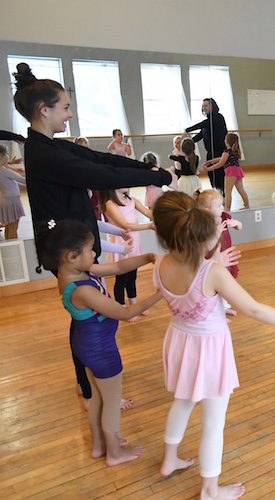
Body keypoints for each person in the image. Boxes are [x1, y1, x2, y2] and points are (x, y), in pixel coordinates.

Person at [12, 62, 175, 407]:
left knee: (85, 317)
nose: (69, 114)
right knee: (83, 319)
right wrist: (157, 178)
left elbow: (101, 159)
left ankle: (89, 385)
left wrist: (151, 169)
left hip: (77, 245)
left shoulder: (51, 147)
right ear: (44, 110)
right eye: (65, 107)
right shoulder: (44, 154)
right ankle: (90, 390)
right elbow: (100, 176)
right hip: (69, 249)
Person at [152, 191, 275, 500]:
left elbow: (188, 295)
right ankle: (210, 490)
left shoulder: (160, 263)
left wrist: (211, 255)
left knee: (183, 401)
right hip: (209, 349)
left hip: (180, 342)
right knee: (213, 421)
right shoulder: (211, 272)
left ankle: (169, 459)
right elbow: (252, 309)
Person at [36, 219, 161, 466]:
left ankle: (99, 445)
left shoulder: (72, 273)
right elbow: (124, 313)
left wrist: (146, 257)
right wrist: (161, 293)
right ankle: (115, 453)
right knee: (112, 403)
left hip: (87, 347)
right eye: (90, 250)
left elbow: (118, 268)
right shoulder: (82, 290)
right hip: (101, 351)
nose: (94, 254)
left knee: (98, 399)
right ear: (72, 256)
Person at [100, 188, 154, 322]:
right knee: (122, 278)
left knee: (132, 275)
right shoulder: (110, 205)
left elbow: (148, 213)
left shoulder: (131, 201)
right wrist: (149, 226)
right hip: (122, 243)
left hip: (135, 242)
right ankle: (122, 310)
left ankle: (134, 305)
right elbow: (125, 225)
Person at [194, 188, 243, 316]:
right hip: (212, 259)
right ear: (207, 210)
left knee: (225, 283)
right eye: (218, 205)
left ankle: (223, 307)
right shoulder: (204, 224)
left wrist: (236, 223)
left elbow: (239, 227)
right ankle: (215, 311)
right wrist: (216, 232)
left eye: (222, 204)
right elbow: (206, 246)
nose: (222, 207)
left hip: (226, 256)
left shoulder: (224, 217)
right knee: (215, 284)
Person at [186, 98, 228, 195]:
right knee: (211, 174)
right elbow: (201, 134)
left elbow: (203, 124)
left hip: (219, 152)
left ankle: (222, 194)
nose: (204, 108)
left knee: (219, 174)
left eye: (206, 105)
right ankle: (216, 192)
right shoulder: (207, 121)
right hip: (210, 152)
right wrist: (189, 143)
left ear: (212, 106)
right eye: (203, 106)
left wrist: (188, 130)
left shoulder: (218, 118)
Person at [202, 133, 249, 211]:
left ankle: (227, 208)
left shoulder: (226, 151)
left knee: (227, 192)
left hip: (230, 172)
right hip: (238, 171)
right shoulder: (235, 151)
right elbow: (222, 158)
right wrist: (211, 161)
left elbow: (221, 163)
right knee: (241, 190)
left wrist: (209, 169)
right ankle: (247, 205)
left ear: (226, 142)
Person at [0, 144, 26, 239]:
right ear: (1, 156)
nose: (8, 157)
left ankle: (9, 248)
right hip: (12, 202)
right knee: (13, 228)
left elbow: (13, 184)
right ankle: (14, 248)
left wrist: (26, 187)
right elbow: (21, 180)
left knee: (8, 226)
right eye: (7, 154)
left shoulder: (2, 171)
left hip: (6, 201)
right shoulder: (5, 171)